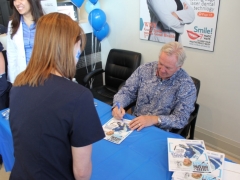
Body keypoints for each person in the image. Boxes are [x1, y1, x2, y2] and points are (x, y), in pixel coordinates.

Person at [9, 13, 105, 180]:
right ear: (72, 46)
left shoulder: (18, 83)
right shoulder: (79, 96)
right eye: (79, 46)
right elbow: (81, 173)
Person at [112, 42, 196, 132]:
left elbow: (181, 119)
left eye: (168, 67)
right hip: (135, 123)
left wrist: (154, 119)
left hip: (160, 131)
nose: (162, 70)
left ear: (179, 66)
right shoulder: (145, 69)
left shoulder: (187, 85)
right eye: (161, 63)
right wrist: (118, 105)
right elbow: (127, 91)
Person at [7, 0, 44, 83]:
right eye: (15, 0)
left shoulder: (47, 22)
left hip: (44, 76)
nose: (17, 3)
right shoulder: (12, 24)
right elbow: (11, 54)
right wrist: (14, 81)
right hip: (23, 76)